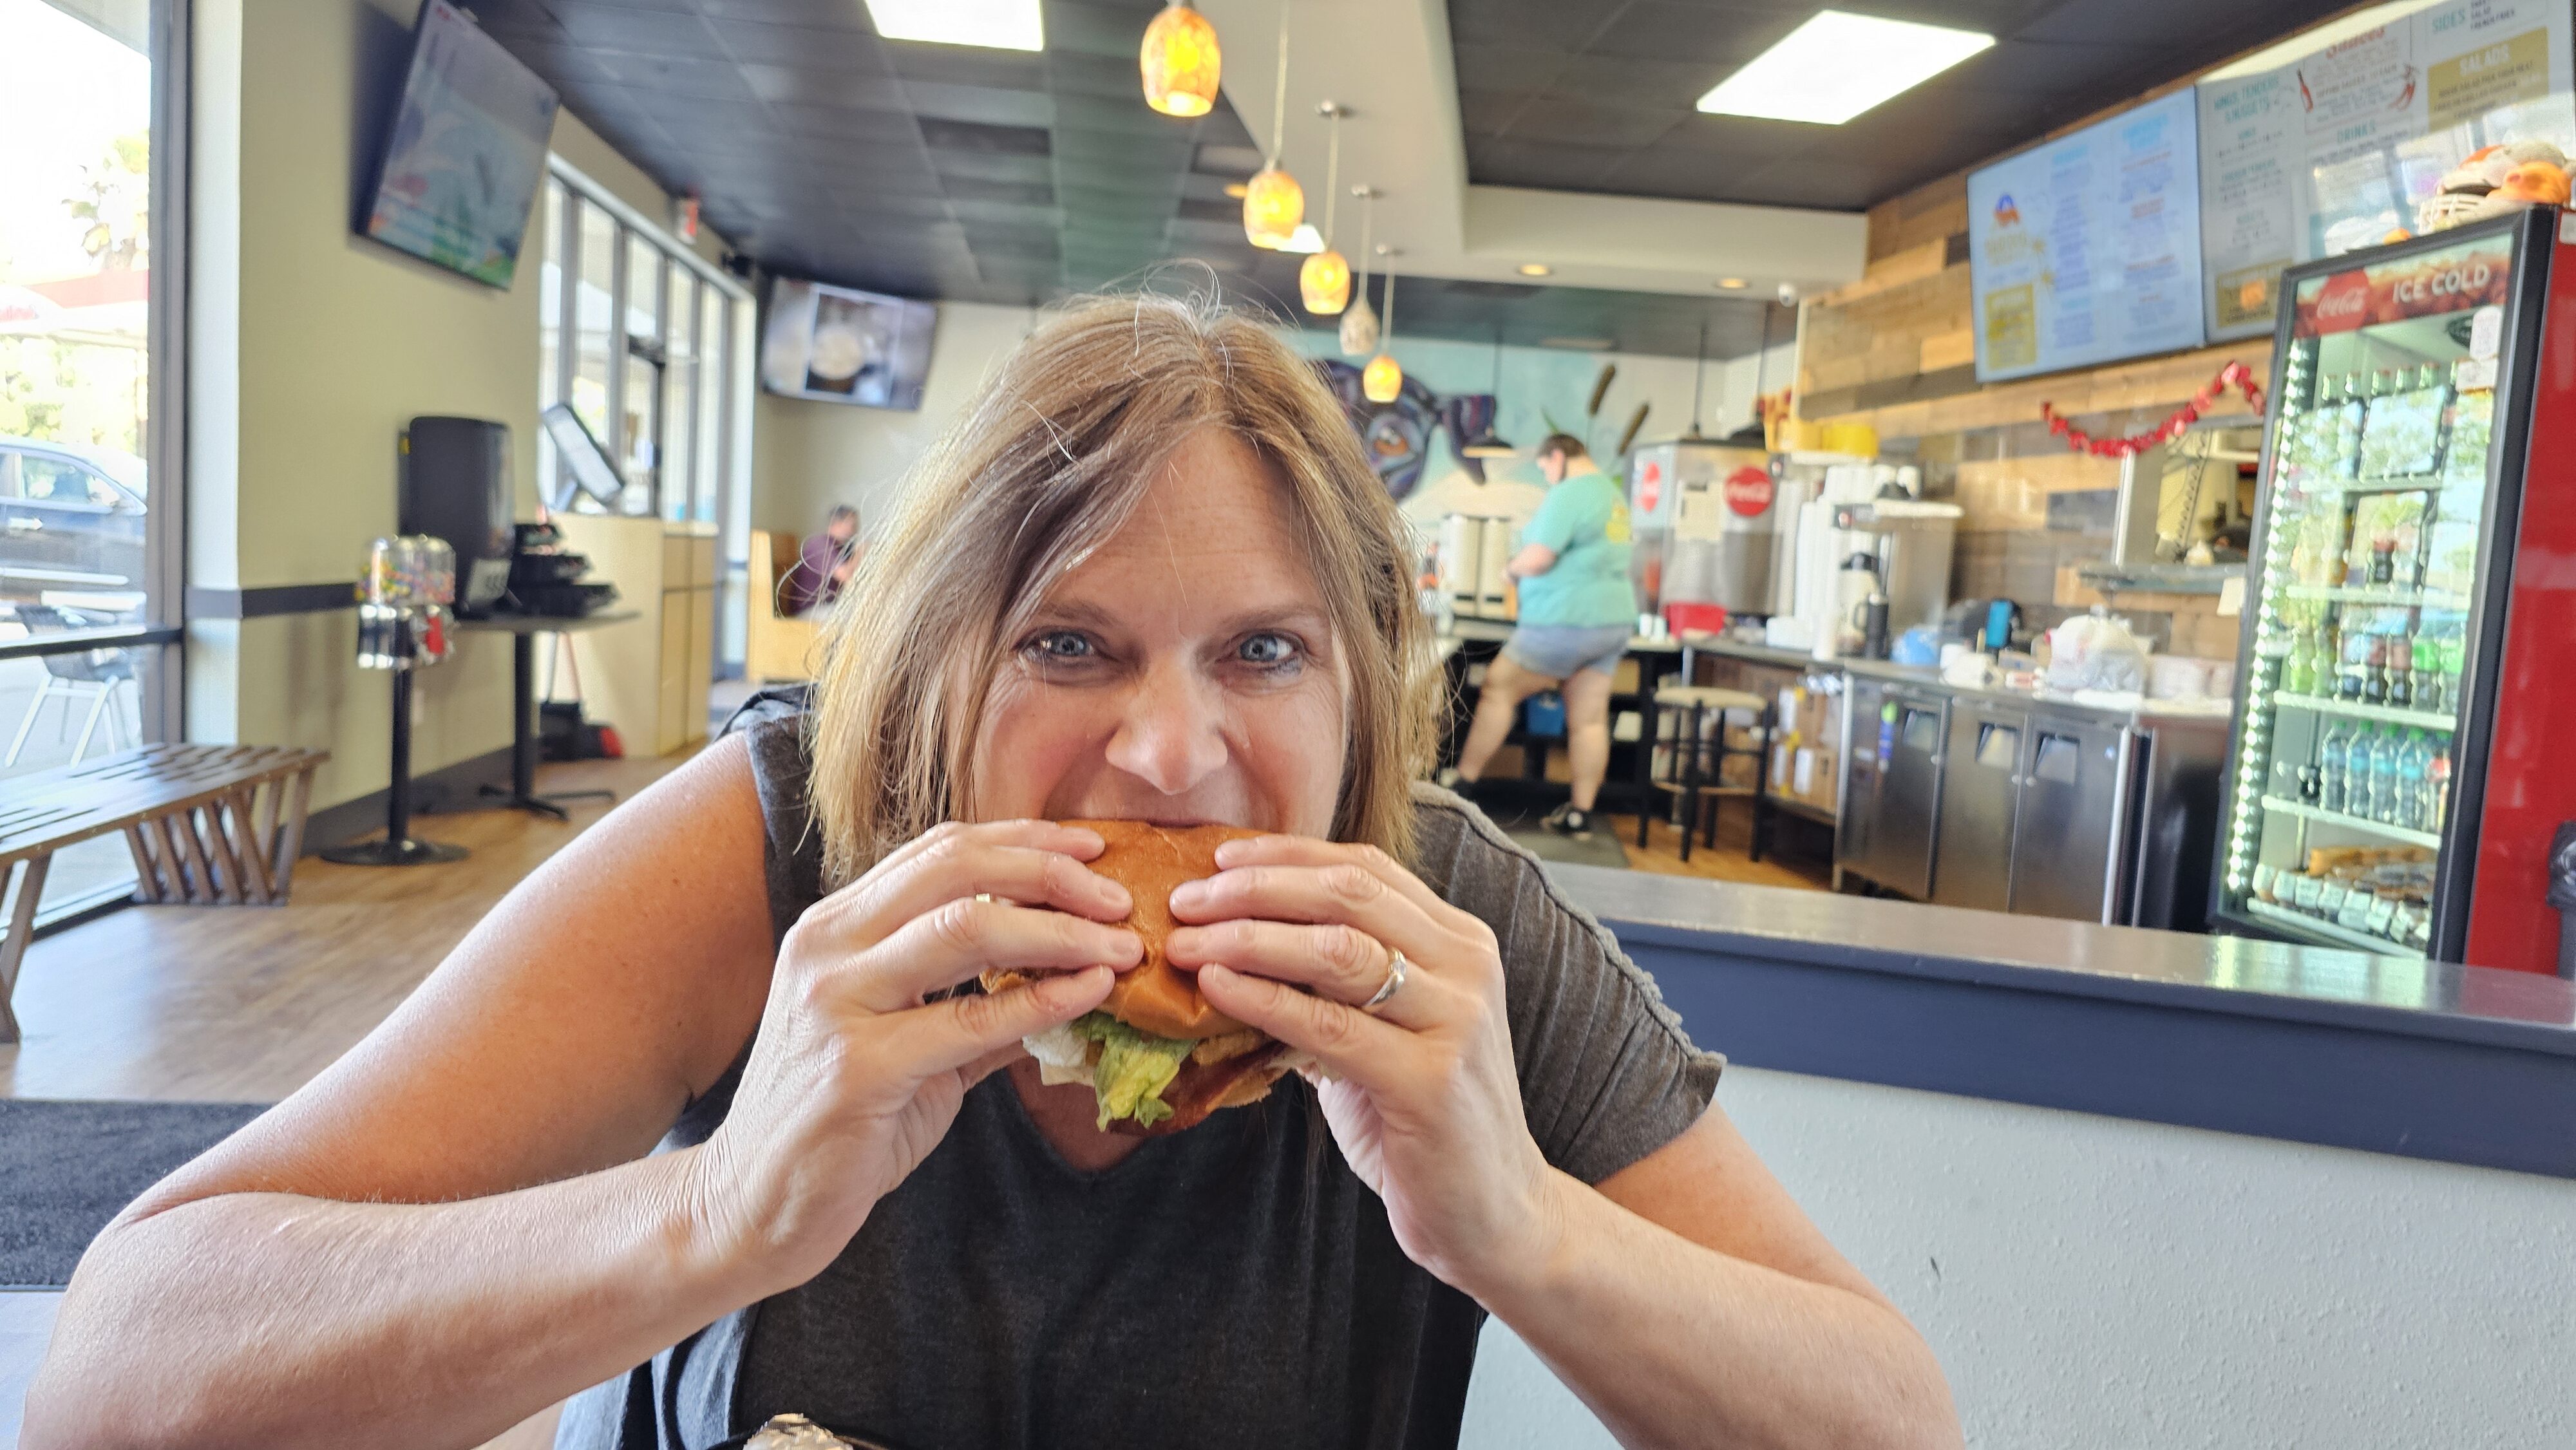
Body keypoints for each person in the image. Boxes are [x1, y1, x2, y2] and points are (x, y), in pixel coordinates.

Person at [25, 294, 1956, 1450]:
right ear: (930, 678)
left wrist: (1517, 1224)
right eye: (1067, 645)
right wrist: (718, 1213)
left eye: (1263, 653)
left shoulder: (1438, 929)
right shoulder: (782, 846)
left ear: (1364, 695)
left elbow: (1890, 1420)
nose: (1172, 756)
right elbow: (118, 1371)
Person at [1448, 433, 1636, 839]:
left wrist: (1511, 570)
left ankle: (1461, 785)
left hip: (1565, 620)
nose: (1547, 477)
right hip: (1611, 621)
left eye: (1545, 468)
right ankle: (1579, 814)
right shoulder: (1612, 496)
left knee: (1499, 687)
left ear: (1557, 456)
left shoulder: (1570, 493)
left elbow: (1540, 556)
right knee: (1588, 719)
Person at [779, 504, 860, 616]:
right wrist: (860, 554)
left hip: (826, 607)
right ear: (837, 523)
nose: (854, 531)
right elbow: (844, 576)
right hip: (810, 611)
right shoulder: (821, 544)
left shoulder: (839, 548)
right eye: (852, 525)